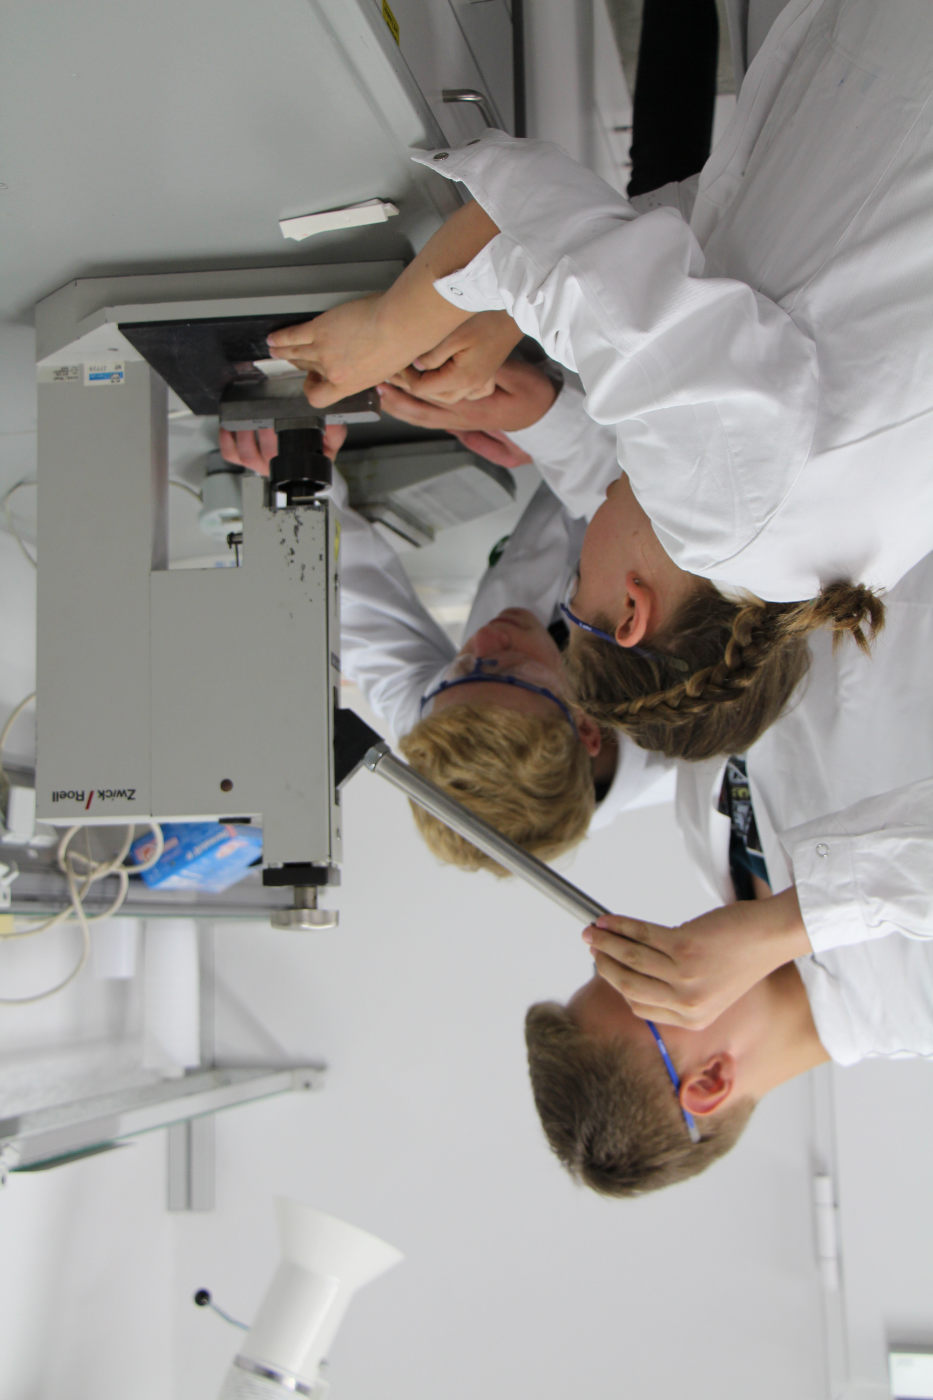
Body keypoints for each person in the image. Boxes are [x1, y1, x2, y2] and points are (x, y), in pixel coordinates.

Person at [264, 0, 933, 759]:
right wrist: (388, 332)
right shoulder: (727, 523)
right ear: (632, 611)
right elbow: (534, 214)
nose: (584, 538)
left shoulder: (828, 555)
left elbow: (702, 243)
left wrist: (509, 307)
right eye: (578, 581)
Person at [524, 545, 933, 1195]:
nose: (644, 953)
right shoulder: (914, 1006)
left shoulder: (705, 842)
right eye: (643, 987)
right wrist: (787, 925)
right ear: (710, 1081)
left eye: (618, 964)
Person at [220, 363, 671, 872]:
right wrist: (547, 426)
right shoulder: (686, 692)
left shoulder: (443, 727)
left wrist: (296, 471)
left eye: (460, 670)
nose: (486, 643)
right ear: (587, 728)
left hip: (566, 432)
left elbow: (346, 589)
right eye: (510, 671)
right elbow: (658, 499)